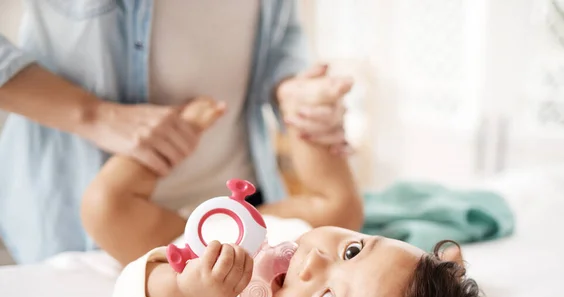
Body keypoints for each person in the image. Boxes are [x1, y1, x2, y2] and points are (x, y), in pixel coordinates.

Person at [82, 98, 505, 297]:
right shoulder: (312, 252)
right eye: (354, 249)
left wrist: (184, 288)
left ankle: (171, 137)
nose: (315, 262)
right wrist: (448, 275)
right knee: (341, 206)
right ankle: (305, 110)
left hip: (185, 240)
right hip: (269, 219)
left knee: (104, 207)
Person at [0, 1, 352, 264]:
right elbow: (340, 206)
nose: (313, 274)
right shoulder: (299, 249)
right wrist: (95, 116)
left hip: (170, 231)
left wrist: (290, 91)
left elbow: (279, 36)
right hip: (83, 216)